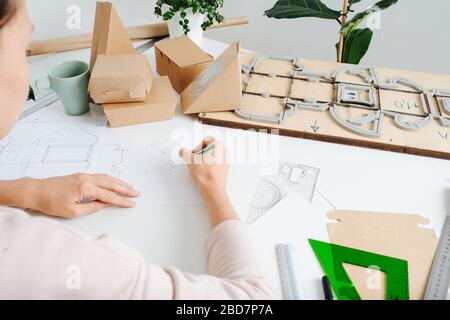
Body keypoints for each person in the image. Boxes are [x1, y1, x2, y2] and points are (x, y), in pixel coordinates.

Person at [0, 0, 271, 299]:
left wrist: (22, 191)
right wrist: (213, 187)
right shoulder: (42, 255)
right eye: (24, 49)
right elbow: (250, 300)